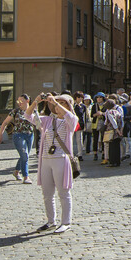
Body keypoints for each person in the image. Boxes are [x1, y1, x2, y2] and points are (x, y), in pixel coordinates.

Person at [26, 94, 77, 234]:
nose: (57, 105)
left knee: (63, 192)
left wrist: (56, 103)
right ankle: (51, 221)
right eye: (56, 103)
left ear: (68, 106)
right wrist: (36, 101)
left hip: (61, 159)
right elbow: (28, 116)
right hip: (45, 159)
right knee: (47, 193)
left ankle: (66, 222)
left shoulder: (70, 121)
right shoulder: (48, 120)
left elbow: (72, 118)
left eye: (63, 103)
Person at [0, 94, 37, 183]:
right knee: (24, 155)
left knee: (25, 155)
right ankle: (26, 177)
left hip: (30, 135)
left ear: (27, 101)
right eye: (18, 101)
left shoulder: (33, 111)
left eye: (21, 100)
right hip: (18, 135)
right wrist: (0, 134)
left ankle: (16, 171)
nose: (19, 103)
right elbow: (5, 122)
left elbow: (39, 124)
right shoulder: (15, 111)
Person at [90, 93, 105, 160]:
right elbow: (91, 115)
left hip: (103, 123)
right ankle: (95, 154)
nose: (99, 99)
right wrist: (96, 114)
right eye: (97, 97)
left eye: (100, 97)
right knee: (95, 139)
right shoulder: (94, 106)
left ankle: (103, 153)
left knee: (103, 139)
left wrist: (102, 114)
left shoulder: (105, 106)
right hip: (95, 124)